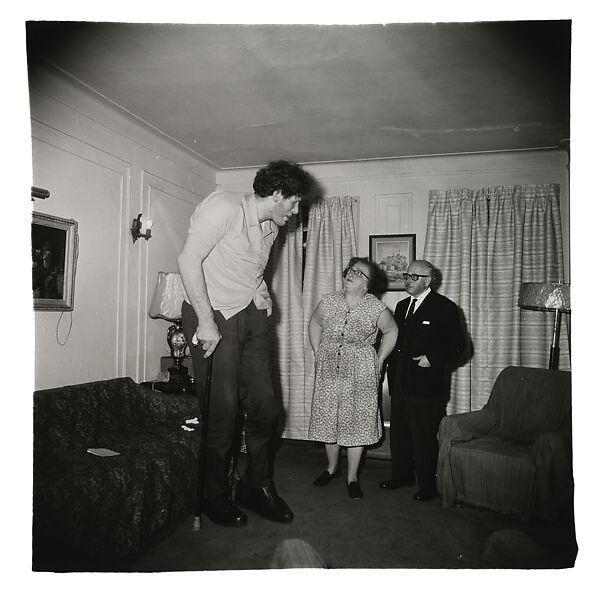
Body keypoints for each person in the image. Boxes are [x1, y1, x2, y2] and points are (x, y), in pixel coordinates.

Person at [177, 159, 311, 527]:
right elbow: (188, 260)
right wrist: (205, 321)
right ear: (278, 194)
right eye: (295, 202)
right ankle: (214, 495)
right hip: (214, 313)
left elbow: (250, 269)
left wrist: (263, 301)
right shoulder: (223, 207)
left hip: (251, 314)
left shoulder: (271, 225)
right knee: (222, 411)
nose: (297, 211)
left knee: (267, 408)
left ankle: (255, 486)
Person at [307, 257, 398, 500]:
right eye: (351, 270)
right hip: (329, 369)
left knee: (357, 422)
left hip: (360, 372)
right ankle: (331, 468)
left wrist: (379, 360)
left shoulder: (376, 307)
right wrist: (317, 351)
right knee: (329, 418)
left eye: (359, 273)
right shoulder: (328, 301)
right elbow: (315, 323)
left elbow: (392, 332)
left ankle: (352, 477)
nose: (351, 274)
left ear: (367, 285)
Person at [380, 260, 465, 501]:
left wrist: (433, 358)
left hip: (426, 386)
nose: (408, 280)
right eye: (407, 275)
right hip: (399, 382)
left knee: (424, 436)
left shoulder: (444, 307)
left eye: (414, 277)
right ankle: (401, 476)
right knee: (400, 433)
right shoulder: (402, 305)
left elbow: (459, 346)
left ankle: (428, 485)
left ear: (428, 280)